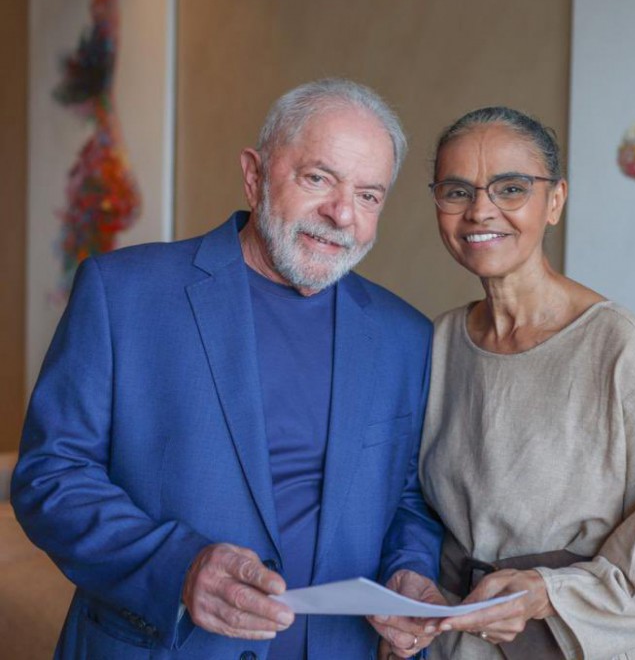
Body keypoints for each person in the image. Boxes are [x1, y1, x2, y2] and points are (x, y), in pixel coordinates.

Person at [12, 78, 445, 659]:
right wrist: (178, 566)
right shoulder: (122, 293)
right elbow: (51, 475)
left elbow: (410, 499)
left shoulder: (406, 336)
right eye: (318, 178)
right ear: (255, 173)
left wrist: (409, 572)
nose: (342, 213)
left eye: (369, 195)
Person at [417, 107, 635, 660]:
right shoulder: (437, 343)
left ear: (554, 201)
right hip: (456, 644)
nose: (480, 209)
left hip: (573, 645)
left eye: (511, 188)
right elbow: (413, 507)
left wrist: (547, 594)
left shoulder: (623, 351)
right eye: (456, 191)